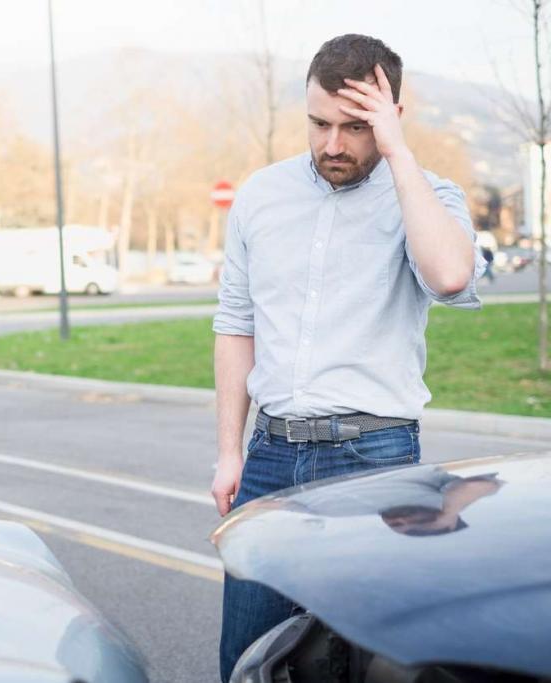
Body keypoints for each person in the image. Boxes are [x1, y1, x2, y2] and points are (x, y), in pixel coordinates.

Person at [210, 34, 485, 681]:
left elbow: (448, 274)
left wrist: (395, 151)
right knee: (245, 661)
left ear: (390, 118)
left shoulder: (427, 195)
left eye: (355, 127)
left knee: (367, 664)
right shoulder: (261, 195)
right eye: (320, 123)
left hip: (376, 463)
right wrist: (230, 450)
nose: (333, 144)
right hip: (271, 456)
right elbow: (235, 324)